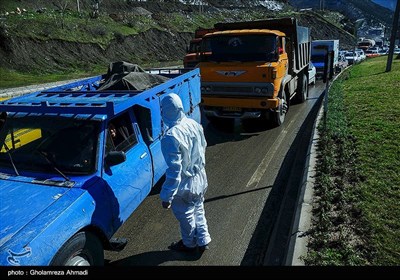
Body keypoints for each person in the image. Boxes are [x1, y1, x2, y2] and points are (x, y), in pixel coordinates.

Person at [160, 93, 211, 252]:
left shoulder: (171, 136)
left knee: (186, 216)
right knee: (198, 209)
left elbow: (175, 170)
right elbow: (203, 146)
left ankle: (189, 245)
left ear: (166, 111)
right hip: (200, 177)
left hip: (185, 184)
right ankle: (203, 239)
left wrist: (166, 196)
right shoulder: (193, 124)